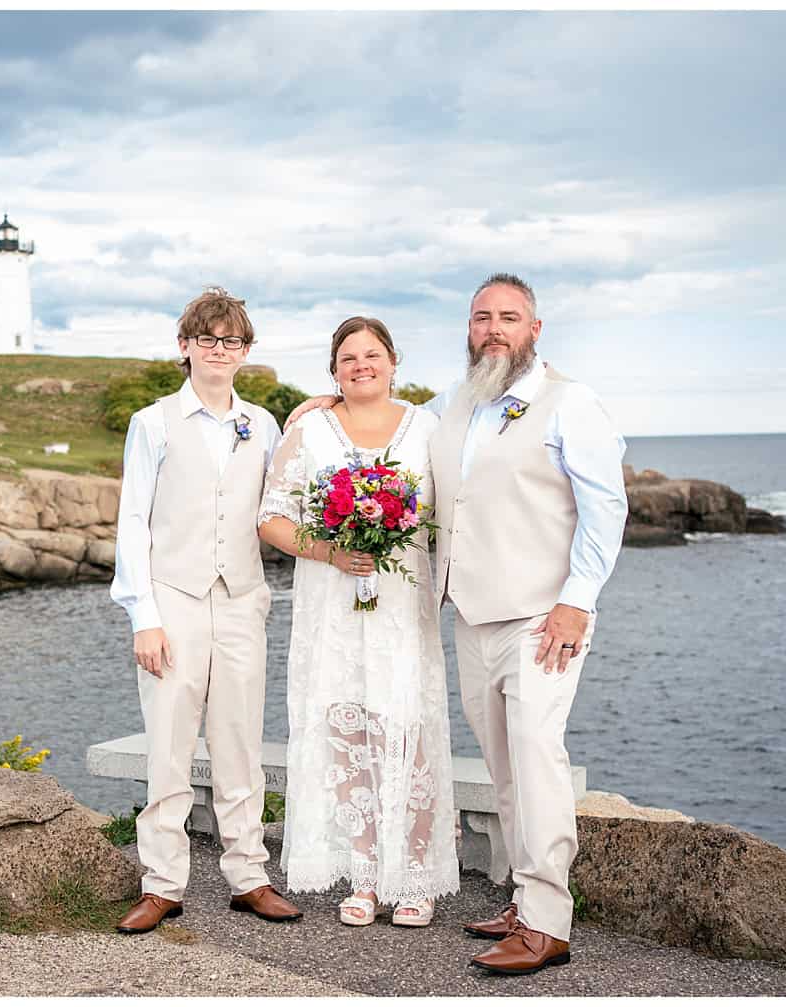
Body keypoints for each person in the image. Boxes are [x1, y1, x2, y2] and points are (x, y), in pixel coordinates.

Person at [285, 274, 627, 974]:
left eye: (509, 317)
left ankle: (547, 924)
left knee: (536, 760)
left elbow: (606, 507)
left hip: (542, 617)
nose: (493, 328)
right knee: (505, 769)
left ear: (536, 328)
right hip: (471, 615)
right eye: (481, 318)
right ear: (468, 331)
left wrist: (577, 598)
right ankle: (522, 900)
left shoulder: (571, 402)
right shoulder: (458, 407)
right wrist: (325, 401)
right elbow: (386, 419)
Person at [109, 286, 303, 935]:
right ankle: (162, 882)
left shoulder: (264, 425)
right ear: (185, 345)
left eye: (232, 340)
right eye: (208, 338)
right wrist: (144, 613)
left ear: (245, 351)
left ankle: (248, 875)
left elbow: (280, 505)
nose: (219, 350)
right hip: (174, 601)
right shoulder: (153, 422)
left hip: (243, 600)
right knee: (168, 745)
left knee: (240, 741)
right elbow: (132, 520)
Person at [257, 317, 459, 928]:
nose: (361, 365)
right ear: (333, 369)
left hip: (402, 605)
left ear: (394, 361)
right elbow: (271, 517)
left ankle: (416, 875)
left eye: (372, 354)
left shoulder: (429, 428)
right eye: (348, 357)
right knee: (345, 730)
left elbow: (454, 512)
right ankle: (366, 875)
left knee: (409, 727)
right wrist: (331, 552)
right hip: (331, 607)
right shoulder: (308, 429)